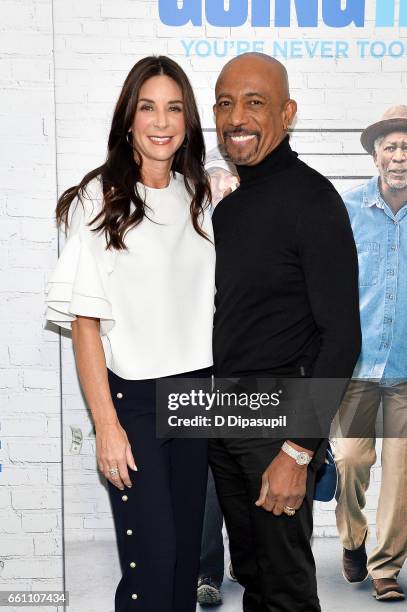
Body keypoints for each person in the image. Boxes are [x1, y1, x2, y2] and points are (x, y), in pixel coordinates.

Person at [45, 55, 215, 612]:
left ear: (188, 121)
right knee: (153, 561)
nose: (161, 122)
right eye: (148, 108)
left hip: (196, 394)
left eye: (174, 108)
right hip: (134, 401)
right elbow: (86, 325)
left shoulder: (202, 199)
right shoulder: (98, 200)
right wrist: (106, 426)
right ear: (128, 118)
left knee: (186, 558)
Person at [209, 52, 362, 612]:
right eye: (225, 103)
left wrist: (299, 450)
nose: (237, 117)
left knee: (287, 589)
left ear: (287, 112)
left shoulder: (313, 202)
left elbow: (343, 338)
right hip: (225, 413)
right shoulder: (230, 208)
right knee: (252, 575)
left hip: (279, 424)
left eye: (255, 102)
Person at [333, 106, 407, 602]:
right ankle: (353, 541)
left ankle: (386, 567)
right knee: (350, 461)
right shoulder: (347, 209)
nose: (399, 156)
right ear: (376, 153)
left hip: (405, 373)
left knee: (402, 475)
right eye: (391, 146)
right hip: (357, 369)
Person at [197, 147, 239, 608]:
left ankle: (243, 558)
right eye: (214, 179)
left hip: (250, 370)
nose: (224, 188)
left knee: (246, 471)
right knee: (207, 477)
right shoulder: (193, 227)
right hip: (200, 370)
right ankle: (207, 568)